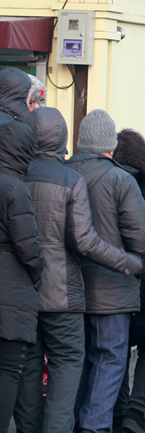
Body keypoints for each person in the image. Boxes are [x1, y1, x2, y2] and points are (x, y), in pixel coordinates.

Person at [15, 107, 141, 433]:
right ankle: (75, 427)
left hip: (26, 292)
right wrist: (127, 262)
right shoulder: (75, 181)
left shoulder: (17, 176)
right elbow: (87, 240)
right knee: (78, 363)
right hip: (71, 293)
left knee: (30, 367)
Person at [67, 109, 145, 433]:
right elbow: (141, 233)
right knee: (110, 359)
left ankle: (77, 423)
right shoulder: (120, 179)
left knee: (78, 360)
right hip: (113, 289)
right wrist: (137, 267)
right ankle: (95, 426)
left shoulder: (64, 172)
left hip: (70, 288)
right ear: (110, 146)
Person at [111, 129, 145, 433]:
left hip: (110, 280)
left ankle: (118, 410)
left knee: (113, 347)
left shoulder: (109, 182)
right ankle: (136, 411)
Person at [0, 121, 41, 432]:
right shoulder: (16, 188)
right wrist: (38, 274)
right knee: (8, 371)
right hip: (11, 298)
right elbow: (28, 248)